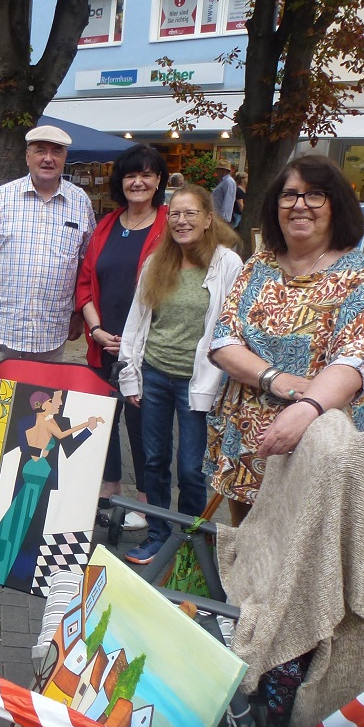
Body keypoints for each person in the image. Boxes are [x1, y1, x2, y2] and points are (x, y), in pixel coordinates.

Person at [205, 154, 364, 527]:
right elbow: (223, 340)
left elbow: (353, 360)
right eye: (290, 195)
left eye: (315, 194)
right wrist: (277, 380)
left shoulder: (357, 274)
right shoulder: (259, 265)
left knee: (299, 560)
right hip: (247, 439)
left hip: (312, 440)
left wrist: (305, 409)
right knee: (246, 550)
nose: (300, 205)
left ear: (336, 205)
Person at [116, 184, 243, 564]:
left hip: (197, 382)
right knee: (153, 460)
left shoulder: (227, 264)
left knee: (190, 468)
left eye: (191, 214)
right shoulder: (159, 261)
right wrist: (130, 376)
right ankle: (157, 534)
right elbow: (136, 322)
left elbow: (231, 326)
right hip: (154, 375)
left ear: (208, 219)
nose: (181, 221)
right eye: (174, 214)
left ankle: (190, 541)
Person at [77, 145, 170, 528]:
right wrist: (96, 330)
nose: (138, 181)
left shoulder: (169, 225)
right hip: (104, 344)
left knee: (144, 427)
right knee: (103, 421)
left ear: (159, 181)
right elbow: (84, 283)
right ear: (121, 181)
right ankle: (109, 489)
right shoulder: (107, 225)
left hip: (148, 350)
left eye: (147, 174)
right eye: (132, 175)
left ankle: (147, 504)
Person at [0, 125, 96, 374]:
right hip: (1, 331)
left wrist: (78, 315)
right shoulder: (1, 198)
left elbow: (86, 264)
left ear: (65, 158)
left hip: (51, 334)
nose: (48, 158)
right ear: (27, 156)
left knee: (39, 408)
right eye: (40, 151)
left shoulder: (81, 202)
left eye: (56, 152)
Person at [0, 390, 104, 586]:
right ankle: (10, 569)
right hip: (31, 475)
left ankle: (23, 574)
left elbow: (68, 447)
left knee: (30, 524)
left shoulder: (56, 421)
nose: (59, 402)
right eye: (55, 399)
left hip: (40, 476)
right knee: (21, 521)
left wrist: (88, 429)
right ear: (43, 404)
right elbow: (26, 446)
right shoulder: (31, 422)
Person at [211, 161, 236, 225]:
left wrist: (222, 218)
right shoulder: (224, 181)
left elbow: (228, 200)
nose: (216, 172)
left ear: (223, 170)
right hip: (217, 216)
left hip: (221, 218)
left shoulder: (228, 181)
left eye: (218, 170)